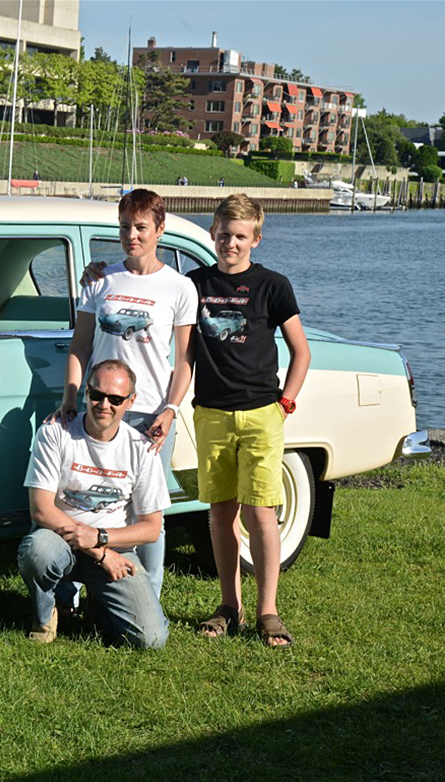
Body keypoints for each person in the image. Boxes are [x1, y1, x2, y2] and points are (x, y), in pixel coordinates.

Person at [53, 188, 196, 600]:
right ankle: (73, 593)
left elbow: (184, 359)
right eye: (124, 227)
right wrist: (71, 397)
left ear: (159, 230)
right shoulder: (99, 278)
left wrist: (170, 410)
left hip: (148, 413)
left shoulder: (179, 287)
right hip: (99, 408)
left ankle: (147, 596)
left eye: (141, 228)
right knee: (82, 500)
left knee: (147, 513)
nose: (131, 235)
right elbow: (80, 346)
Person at [190, 194, 310, 647]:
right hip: (212, 413)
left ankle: (268, 611)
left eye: (240, 236)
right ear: (213, 233)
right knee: (221, 512)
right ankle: (229, 606)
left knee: (262, 513)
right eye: (224, 235)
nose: (230, 244)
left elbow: (302, 351)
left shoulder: (273, 285)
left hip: (262, 413)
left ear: (256, 239)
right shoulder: (194, 282)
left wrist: (285, 403)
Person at [19, 359, 170, 649]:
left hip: (116, 547)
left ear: (130, 402)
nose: (104, 404)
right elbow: (40, 509)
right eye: (96, 394)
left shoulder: (142, 450)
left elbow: (152, 529)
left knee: (151, 640)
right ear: (85, 393)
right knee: (37, 551)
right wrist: (98, 551)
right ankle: (45, 614)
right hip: (59, 539)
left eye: (115, 399)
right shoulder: (55, 433)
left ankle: (99, 605)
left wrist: (103, 540)